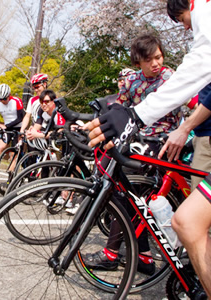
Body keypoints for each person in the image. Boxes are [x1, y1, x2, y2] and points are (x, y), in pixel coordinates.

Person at [83, 0, 211, 296]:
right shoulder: (133, 79)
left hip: (164, 140)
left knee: (154, 204)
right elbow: (120, 102)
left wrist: (175, 124)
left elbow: (200, 66)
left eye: (182, 20)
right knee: (185, 220)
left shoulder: (204, 10)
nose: (186, 27)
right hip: (147, 136)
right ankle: (139, 253)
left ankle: (129, 253)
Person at [85, 33, 183, 276]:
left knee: (128, 193)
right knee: (109, 178)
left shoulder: (171, 78)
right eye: (149, 60)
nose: (156, 64)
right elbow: (120, 108)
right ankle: (143, 256)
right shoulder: (131, 81)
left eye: (159, 57)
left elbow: (192, 103)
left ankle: (112, 253)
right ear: (138, 62)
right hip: (134, 140)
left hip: (162, 142)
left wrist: (184, 129)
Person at [0, 83, 25, 182]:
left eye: (4, 99)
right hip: (7, 128)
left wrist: (7, 126)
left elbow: (20, 118)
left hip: (18, 128)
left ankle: (11, 173)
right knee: (0, 147)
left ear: (9, 95)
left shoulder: (16, 101)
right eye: (0, 99)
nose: (3, 101)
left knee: (15, 152)